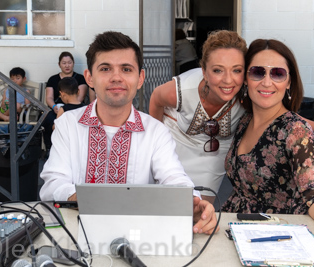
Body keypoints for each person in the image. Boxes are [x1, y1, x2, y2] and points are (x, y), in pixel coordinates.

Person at [150, 30, 314, 203]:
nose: (227, 80)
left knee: (196, 210)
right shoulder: (183, 89)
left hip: (214, 154)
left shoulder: (246, 99)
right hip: (177, 142)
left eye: (236, 70)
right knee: (163, 201)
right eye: (217, 70)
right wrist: (155, 144)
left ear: (244, 72)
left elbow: (291, 122)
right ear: (204, 71)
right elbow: (156, 100)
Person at [39, 31, 217, 235]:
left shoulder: (155, 131)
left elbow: (174, 178)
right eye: (105, 68)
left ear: (140, 78)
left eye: (126, 69)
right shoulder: (68, 125)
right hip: (76, 236)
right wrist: (83, 198)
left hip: (139, 238)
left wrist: (192, 203)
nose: (116, 77)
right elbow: (53, 183)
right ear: (89, 77)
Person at [221, 39, 314, 261]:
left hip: (276, 241)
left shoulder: (296, 130)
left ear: (289, 83)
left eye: (277, 74)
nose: (267, 82)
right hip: (236, 229)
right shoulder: (245, 119)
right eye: (257, 72)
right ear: (245, 79)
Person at [42, 52, 89, 152]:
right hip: (56, 109)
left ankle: (73, 148)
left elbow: (79, 98)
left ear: (73, 63)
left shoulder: (80, 78)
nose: (67, 65)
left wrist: (69, 108)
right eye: (64, 63)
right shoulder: (53, 79)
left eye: (69, 62)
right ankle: (50, 147)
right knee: (48, 119)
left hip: (75, 108)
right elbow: (49, 97)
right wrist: (54, 106)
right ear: (59, 64)